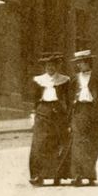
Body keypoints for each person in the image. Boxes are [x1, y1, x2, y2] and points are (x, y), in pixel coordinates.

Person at [67, 50, 98, 187]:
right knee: (78, 143)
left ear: (89, 63)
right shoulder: (74, 80)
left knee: (93, 143)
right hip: (79, 112)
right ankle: (77, 176)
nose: (81, 65)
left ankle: (90, 174)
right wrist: (69, 116)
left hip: (94, 112)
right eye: (78, 63)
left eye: (83, 62)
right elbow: (69, 99)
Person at [28, 53, 70, 186]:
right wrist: (33, 114)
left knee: (58, 143)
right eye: (48, 66)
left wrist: (69, 117)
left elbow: (68, 100)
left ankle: (57, 174)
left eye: (53, 65)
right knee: (39, 144)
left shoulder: (64, 80)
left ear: (57, 66)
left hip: (58, 113)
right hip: (42, 111)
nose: (50, 68)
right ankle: (37, 175)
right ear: (44, 67)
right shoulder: (38, 80)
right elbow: (34, 100)